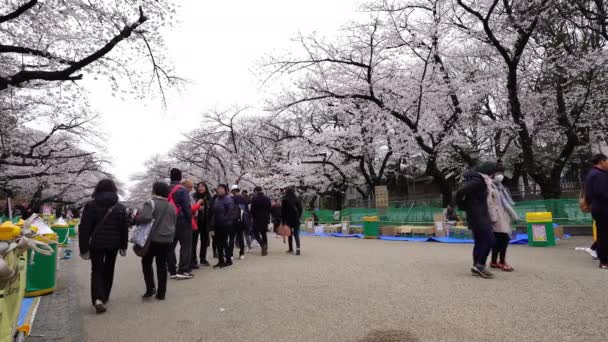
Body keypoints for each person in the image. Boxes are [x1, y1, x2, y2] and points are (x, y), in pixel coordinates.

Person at [79, 179, 129, 313]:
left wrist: (83, 248)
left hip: (96, 244)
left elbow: (84, 228)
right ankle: (104, 297)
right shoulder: (120, 208)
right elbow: (124, 229)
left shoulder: (91, 205)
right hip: (114, 244)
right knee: (109, 269)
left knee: (96, 270)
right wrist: (124, 246)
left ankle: (97, 298)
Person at [133, 181, 176, 300]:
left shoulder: (150, 202)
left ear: (155, 190)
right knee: (162, 265)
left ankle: (150, 289)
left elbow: (145, 217)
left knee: (146, 262)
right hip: (167, 239)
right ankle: (161, 293)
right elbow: (174, 222)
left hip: (153, 239)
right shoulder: (171, 205)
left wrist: (137, 218)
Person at [455, 161, 497, 279]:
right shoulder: (478, 181)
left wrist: (465, 206)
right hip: (478, 214)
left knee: (480, 240)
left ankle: (477, 265)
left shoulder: (476, 179)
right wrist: (463, 206)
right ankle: (480, 265)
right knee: (489, 239)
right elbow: (460, 192)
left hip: (477, 213)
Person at [488, 168, 518, 272]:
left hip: (503, 215)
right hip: (497, 216)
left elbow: (506, 202)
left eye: (500, 173)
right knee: (503, 238)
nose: (499, 176)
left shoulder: (501, 187)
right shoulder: (489, 186)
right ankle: (501, 261)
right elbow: (489, 203)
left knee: (499, 238)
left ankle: (494, 261)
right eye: (496, 173)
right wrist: (493, 215)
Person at [167, 168, 194, 280]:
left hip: (168, 221)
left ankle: (172, 270)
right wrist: (190, 220)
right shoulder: (183, 190)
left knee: (170, 247)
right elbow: (187, 208)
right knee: (186, 246)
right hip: (182, 221)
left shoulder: (165, 189)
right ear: (180, 177)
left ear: (170, 176)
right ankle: (182, 270)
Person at [584, 153, 608, 269]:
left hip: (597, 208)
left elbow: (588, 194)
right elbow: (602, 193)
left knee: (602, 234)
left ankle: (599, 254)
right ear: (601, 161)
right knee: (604, 235)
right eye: (607, 161)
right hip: (603, 208)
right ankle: (604, 261)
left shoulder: (591, 174)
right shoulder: (599, 175)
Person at [210, 184, 236, 268]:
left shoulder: (228, 200)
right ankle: (220, 260)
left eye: (221, 189)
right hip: (217, 224)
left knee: (224, 242)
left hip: (225, 224)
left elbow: (230, 212)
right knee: (218, 243)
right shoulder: (216, 199)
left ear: (225, 190)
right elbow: (213, 212)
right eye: (218, 189)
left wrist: (224, 220)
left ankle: (228, 260)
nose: (219, 190)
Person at [192, 182, 212, 268]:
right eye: (199, 186)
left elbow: (212, 208)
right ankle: (193, 260)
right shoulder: (193, 196)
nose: (200, 188)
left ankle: (203, 259)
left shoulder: (209, 197)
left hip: (205, 222)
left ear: (206, 187)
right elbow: (190, 207)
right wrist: (197, 207)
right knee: (193, 242)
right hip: (195, 222)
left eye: (202, 186)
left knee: (204, 241)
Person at [231, 185, 251, 260]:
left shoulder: (231, 198)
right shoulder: (243, 199)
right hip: (241, 221)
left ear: (233, 191)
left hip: (233, 220)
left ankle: (231, 254)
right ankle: (242, 253)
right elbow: (247, 211)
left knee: (231, 238)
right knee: (241, 237)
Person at [250, 186, 272, 256]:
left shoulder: (254, 199)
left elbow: (252, 210)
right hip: (265, 218)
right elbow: (269, 209)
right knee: (264, 233)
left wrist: (252, 217)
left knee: (256, 233)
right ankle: (265, 248)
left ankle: (262, 245)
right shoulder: (267, 199)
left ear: (256, 191)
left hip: (257, 219)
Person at [282, 188, 303, 255]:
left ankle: (291, 249)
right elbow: (300, 209)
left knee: (289, 234)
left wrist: (283, 222)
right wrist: (298, 217)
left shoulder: (285, 200)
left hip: (288, 220)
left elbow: (283, 212)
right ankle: (298, 249)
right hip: (296, 219)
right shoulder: (297, 200)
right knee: (296, 234)